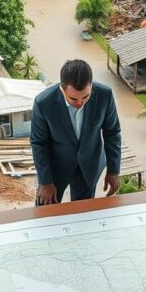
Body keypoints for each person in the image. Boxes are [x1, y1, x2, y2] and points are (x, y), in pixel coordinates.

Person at [31, 59, 121, 204]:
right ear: (62, 89)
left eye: (86, 97)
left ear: (91, 86)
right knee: (45, 208)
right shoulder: (43, 103)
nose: (80, 103)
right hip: (55, 165)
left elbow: (112, 132)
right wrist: (45, 181)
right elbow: (38, 143)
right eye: (73, 99)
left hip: (89, 164)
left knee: (83, 213)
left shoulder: (105, 95)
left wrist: (113, 170)